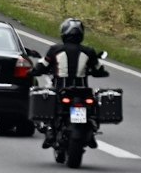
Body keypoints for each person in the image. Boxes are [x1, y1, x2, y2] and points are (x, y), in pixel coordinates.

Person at [37, 18, 107, 148]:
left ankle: (50, 130)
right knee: (93, 106)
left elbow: (42, 66)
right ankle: (91, 131)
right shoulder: (89, 51)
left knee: (47, 101)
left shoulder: (55, 50)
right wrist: (101, 73)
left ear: (64, 33)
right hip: (83, 91)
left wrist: (34, 71)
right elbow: (99, 69)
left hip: (61, 89)